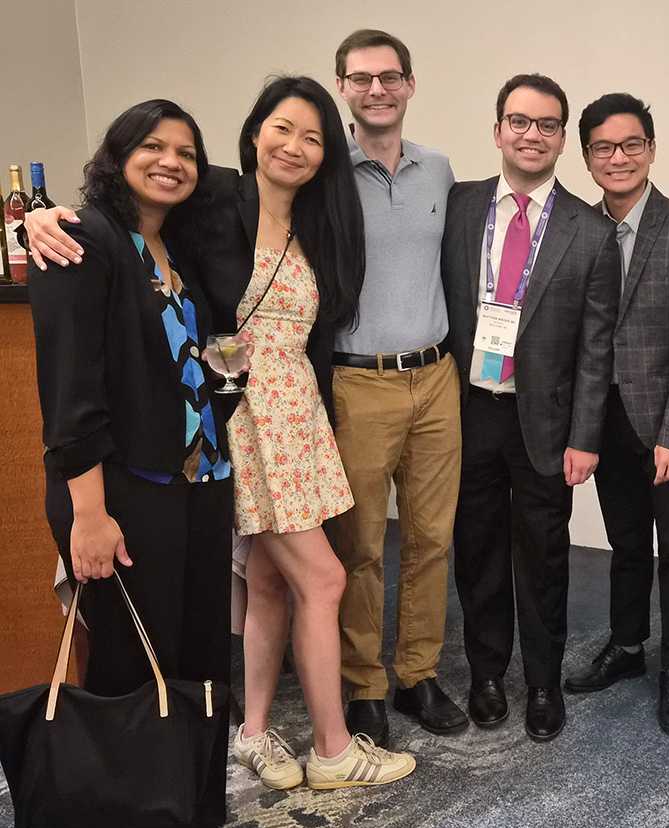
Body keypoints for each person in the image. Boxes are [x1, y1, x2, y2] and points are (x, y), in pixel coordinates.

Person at [25, 78, 418, 791]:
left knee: (267, 580)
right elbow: (123, 205)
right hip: (244, 417)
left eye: (312, 137)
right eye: (282, 128)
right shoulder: (214, 200)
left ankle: (254, 733)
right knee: (324, 578)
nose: (294, 146)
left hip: (297, 416)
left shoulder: (318, 223)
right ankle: (334, 751)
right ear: (255, 132)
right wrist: (42, 218)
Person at [29, 99, 233, 828]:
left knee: (191, 655)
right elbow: (70, 392)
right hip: (116, 493)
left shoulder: (176, 245)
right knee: (125, 667)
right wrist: (87, 513)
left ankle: (176, 813)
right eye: (153, 145)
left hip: (195, 485)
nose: (171, 161)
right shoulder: (84, 240)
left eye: (187, 150)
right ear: (117, 155)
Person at [441, 73, 620, 743]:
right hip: (468, 411)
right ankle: (487, 674)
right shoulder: (458, 207)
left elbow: (596, 349)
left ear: (562, 139)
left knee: (543, 557)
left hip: (545, 420)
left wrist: (586, 436)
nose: (532, 134)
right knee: (477, 548)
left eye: (547, 124)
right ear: (498, 131)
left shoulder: (590, 231)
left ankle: (543, 682)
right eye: (519, 121)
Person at [326, 30, 467, 745]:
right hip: (359, 383)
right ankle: (364, 685)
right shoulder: (323, 173)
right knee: (359, 545)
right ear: (343, 88)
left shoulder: (438, 170)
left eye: (389, 77)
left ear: (410, 84)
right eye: (361, 78)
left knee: (431, 537)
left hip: (437, 377)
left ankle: (417, 673)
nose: (376, 90)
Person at [564, 93, 669, 735]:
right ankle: (627, 647)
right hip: (605, 419)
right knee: (625, 543)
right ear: (587, 157)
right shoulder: (580, 230)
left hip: (665, 424)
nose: (617, 158)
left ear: (651, 149)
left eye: (630, 145)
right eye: (603, 147)